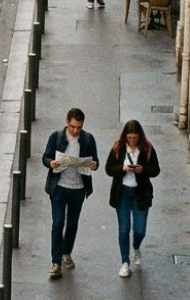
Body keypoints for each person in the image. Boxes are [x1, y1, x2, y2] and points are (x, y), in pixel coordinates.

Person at [41, 108, 100, 279]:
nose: (76, 131)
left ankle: (66, 253)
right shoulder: (56, 137)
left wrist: (93, 165)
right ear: (67, 122)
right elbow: (45, 157)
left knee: (72, 223)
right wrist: (51, 162)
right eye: (73, 127)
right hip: (59, 187)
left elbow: (95, 160)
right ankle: (55, 262)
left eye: (79, 128)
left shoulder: (88, 139)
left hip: (78, 189)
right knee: (58, 223)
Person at [104, 119, 161, 277]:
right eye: (129, 138)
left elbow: (156, 170)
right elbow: (109, 169)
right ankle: (124, 262)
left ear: (140, 137)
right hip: (122, 193)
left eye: (135, 138)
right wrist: (122, 169)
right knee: (123, 229)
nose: (132, 141)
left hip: (140, 193)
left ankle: (136, 247)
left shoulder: (147, 148)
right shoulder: (118, 148)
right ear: (125, 136)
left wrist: (143, 170)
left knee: (140, 229)